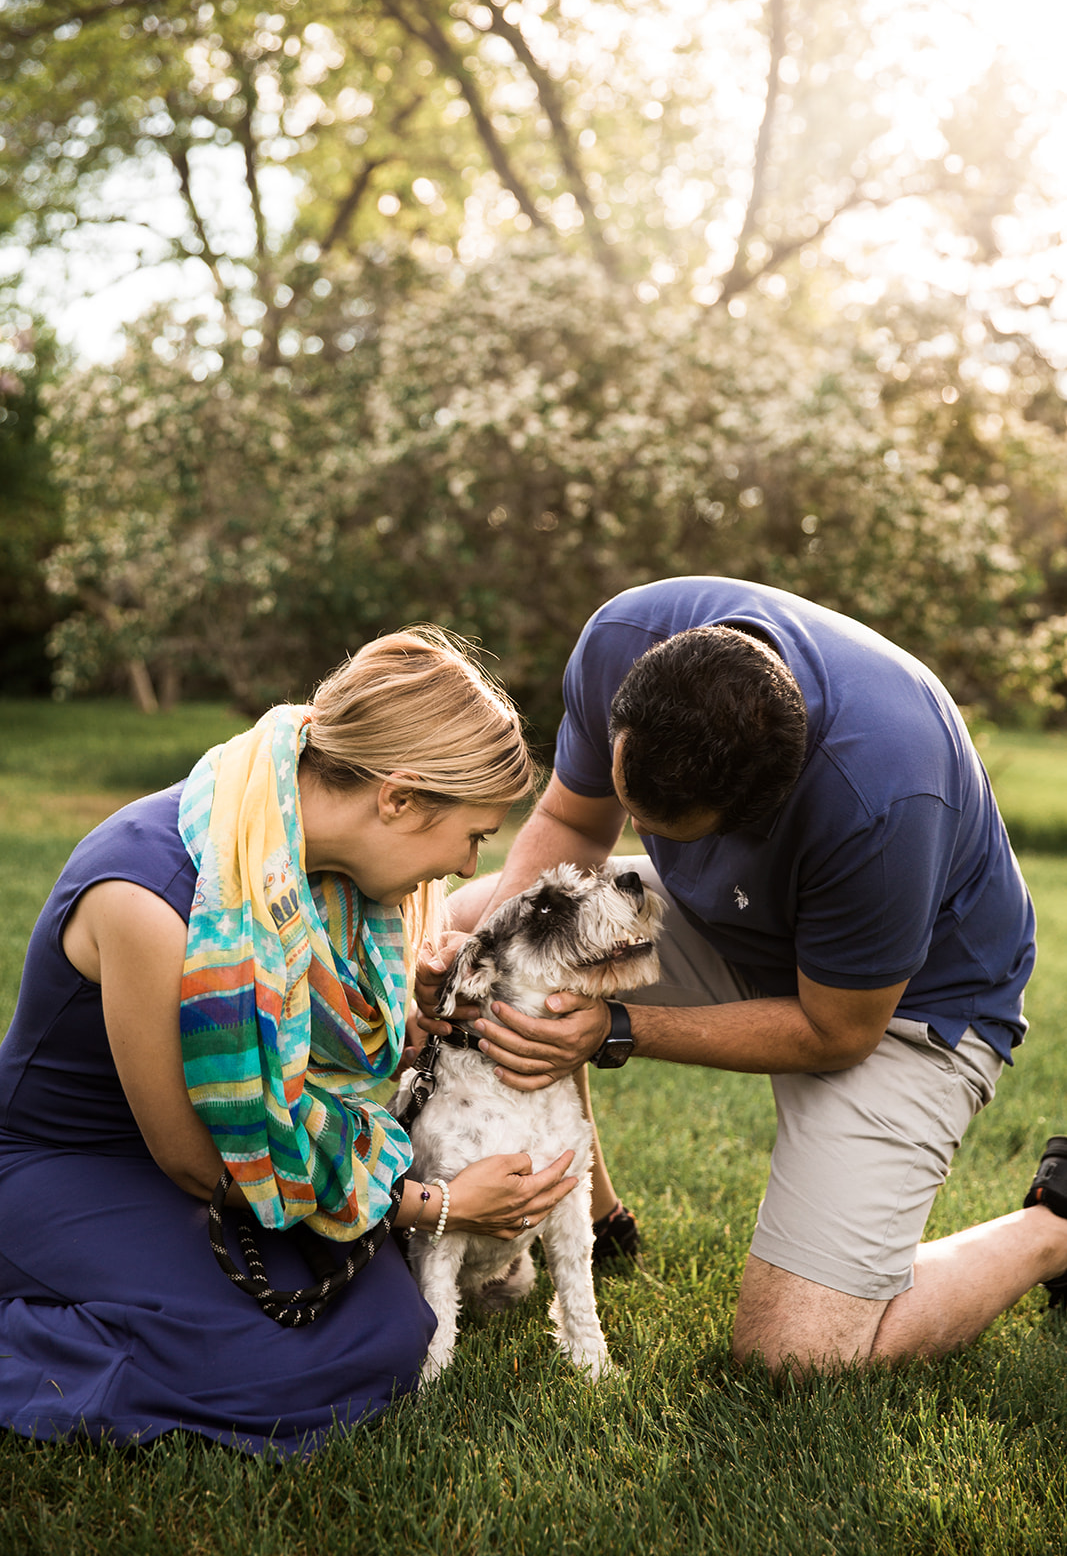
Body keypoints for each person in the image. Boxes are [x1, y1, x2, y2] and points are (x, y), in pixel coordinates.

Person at [420, 577, 1067, 1373]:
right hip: (725, 917)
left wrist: (615, 1028)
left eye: (662, 832)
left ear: (759, 813)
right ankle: (592, 1217)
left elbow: (838, 1031)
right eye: (634, 807)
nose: (636, 839)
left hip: (905, 1000)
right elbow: (570, 823)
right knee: (457, 929)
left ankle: (1054, 1230)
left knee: (795, 1355)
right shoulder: (623, 638)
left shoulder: (884, 795)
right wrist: (481, 964)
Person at [0, 627, 578, 1455]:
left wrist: (405, 1011)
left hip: (250, 1157)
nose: (460, 865)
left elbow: (292, 1041)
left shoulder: (304, 863)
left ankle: (150, 1310)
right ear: (399, 798)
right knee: (288, 1373)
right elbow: (196, 1160)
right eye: (474, 835)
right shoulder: (149, 893)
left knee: (385, 1336)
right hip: (77, 1161)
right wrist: (440, 1205)